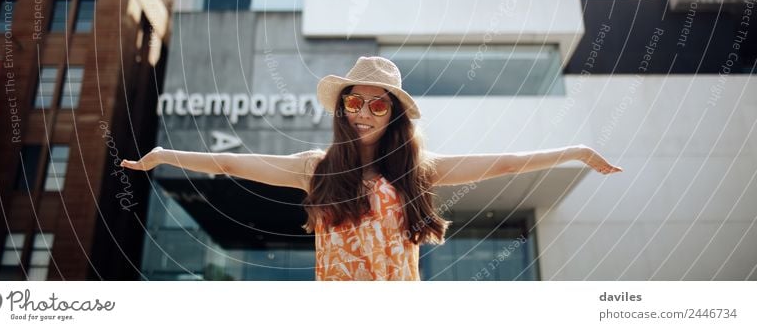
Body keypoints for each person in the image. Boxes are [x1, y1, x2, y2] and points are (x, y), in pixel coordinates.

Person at [122, 55, 623, 281]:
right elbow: (233, 162)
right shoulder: (314, 168)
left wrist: (574, 151)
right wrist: (165, 155)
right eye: (354, 102)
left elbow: (505, 162)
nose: (362, 111)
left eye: (377, 105)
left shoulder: (418, 171)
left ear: (395, 114)